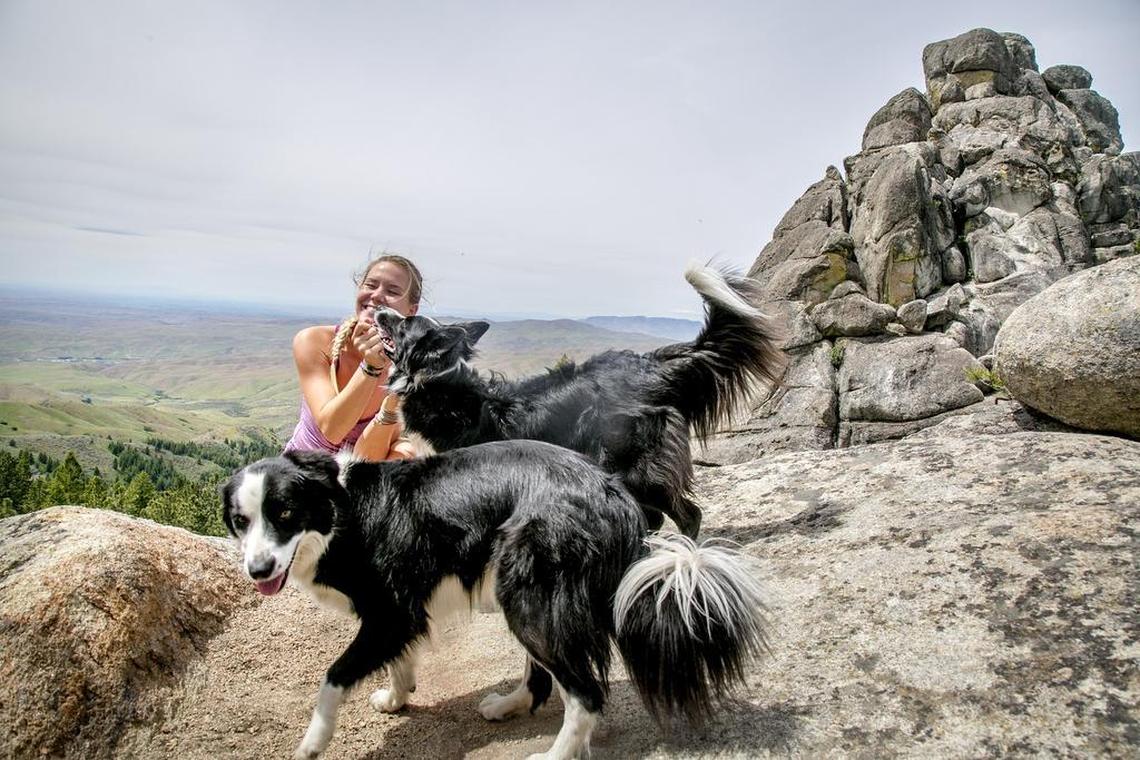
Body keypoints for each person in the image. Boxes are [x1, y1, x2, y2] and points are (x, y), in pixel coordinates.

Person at [282, 254, 422, 460]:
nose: (376, 295)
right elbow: (332, 430)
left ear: (411, 311)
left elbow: (372, 457)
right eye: (370, 285)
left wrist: (401, 450)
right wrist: (371, 367)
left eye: (392, 291)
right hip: (299, 478)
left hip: (359, 482)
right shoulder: (313, 341)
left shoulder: (411, 370)